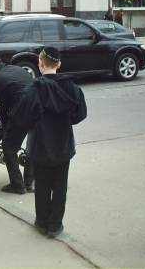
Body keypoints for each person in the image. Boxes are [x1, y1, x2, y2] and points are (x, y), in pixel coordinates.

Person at [11, 47, 87, 238]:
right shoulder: (72, 88)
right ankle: (55, 226)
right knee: (60, 186)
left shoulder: (33, 90)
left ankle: (42, 221)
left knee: (42, 185)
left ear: (40, 64)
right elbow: (80, 114)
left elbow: (20, 118)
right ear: (59, 65)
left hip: (40, 145)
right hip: (63, 144)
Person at [0, 53, 34, 194]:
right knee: (32, 146)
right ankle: (29, 183)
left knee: (9, 147)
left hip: (21, 114)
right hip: (37, 110)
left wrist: (5, 129)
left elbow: (3, 109)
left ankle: (18, 185)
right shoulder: (16, 68)